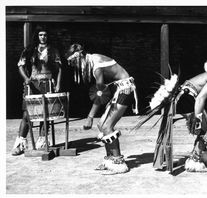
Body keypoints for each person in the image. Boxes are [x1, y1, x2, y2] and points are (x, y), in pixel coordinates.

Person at [66, 44, 138, 174]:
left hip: (125, 89)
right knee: (101, 125)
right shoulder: (93, 60)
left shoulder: (96, 67)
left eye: (73, 61)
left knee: (107, 126)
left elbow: (101, 93)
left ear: (80, 54)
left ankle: (118, 162)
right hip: (120, 89)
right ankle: (110, 159)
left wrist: (90, 117)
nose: (72, 65)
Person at [12, 26, 62, 156]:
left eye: (45, 34)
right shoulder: (29, 50)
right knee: (27, 114)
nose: (43, 37)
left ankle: (42, 143)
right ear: (37, 36)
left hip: (48, 84)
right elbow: (20, 65)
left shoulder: (53, 50)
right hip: (32, 85)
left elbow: (59, 69)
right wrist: (26, 78)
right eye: (40, 35)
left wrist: (58, 85)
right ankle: (20, 144)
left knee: (46, 114)